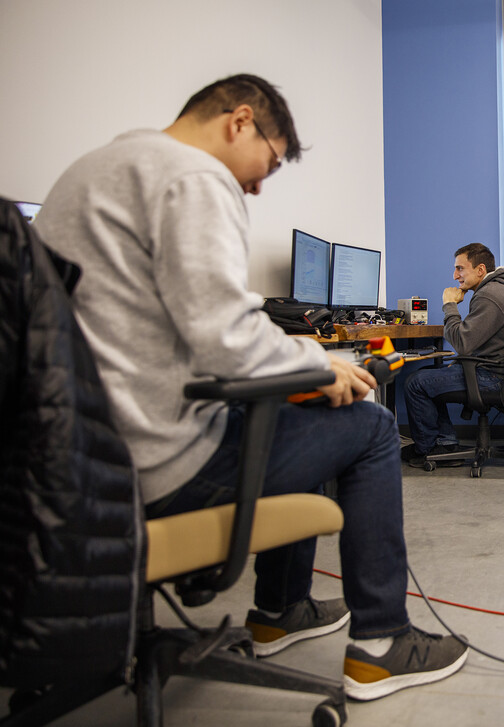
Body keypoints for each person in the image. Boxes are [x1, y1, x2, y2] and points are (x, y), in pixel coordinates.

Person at [33, 74, 466, 702]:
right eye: (266, 163)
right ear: (239, 121)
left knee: (304, 405)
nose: (259, 185)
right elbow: (225, 337)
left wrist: (301, 369)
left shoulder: (94, 171)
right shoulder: (191, 176)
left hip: (75, 470)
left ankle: (282, 610)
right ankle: (381, 644)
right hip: (153, 467)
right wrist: (320, 367)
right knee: (368, 425)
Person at [401, 243, 504, 467]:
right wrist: (462, 362)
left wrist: (449, 305)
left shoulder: (489, 296)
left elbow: (462, 343)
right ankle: (445, 443)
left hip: (495, 377)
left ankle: (429, 449)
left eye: (460, 268)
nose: (455, 275)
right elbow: (475, 343)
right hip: (500, 371)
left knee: (416, 382)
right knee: (429, 376)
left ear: (480, 270)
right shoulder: (496, 290)